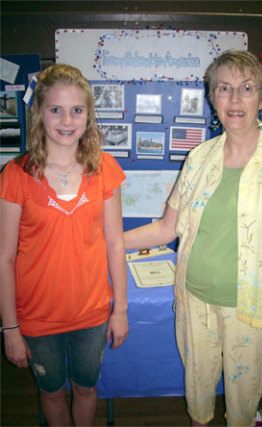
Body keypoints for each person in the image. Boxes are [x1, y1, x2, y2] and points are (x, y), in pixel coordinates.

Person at [124, 50, 262, 426]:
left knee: (241, 411)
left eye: (246, 88)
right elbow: (166, 228)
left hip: (249, 312)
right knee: (197, 403)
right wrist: (108, 240)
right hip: (194, 303)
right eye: (224, 88)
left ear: (261, 97)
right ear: (212, 98)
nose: (234, 99)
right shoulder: (199, 158)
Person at [0, 64, 128, 426]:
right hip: (37, 317)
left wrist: (120, 311)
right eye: (56, 109)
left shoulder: (105, 168)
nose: (67, 120)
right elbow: (4, 257)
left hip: (91, 314)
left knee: (86, 389)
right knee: (52, 391)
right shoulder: (16, 175)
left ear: (88, 115)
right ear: (39, 113)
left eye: (77, 109)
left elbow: (115, 243)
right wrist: (10, 329)